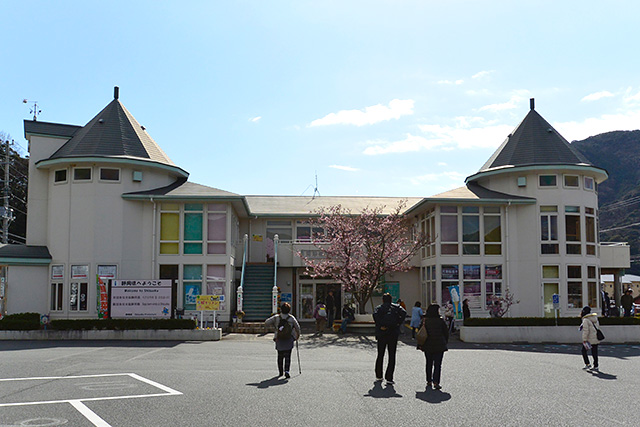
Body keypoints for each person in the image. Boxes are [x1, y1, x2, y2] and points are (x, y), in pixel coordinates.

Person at [373, 293, 407, 384]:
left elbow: (375, 316)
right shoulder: (397, 307)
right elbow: (404, 313)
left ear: (383, 300)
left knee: (380, 355)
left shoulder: (379, 308)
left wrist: (381, 325)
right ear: (391, 300)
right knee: (392, 355)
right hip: (393, 332)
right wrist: (398, 323)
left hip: (382, 333)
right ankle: (389, 377)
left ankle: (379, 375)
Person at [264, 302, 301, 379]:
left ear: (281, 309)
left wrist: (275, 326)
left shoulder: (277, 317)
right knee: (288, 356)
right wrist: (297, 336)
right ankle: (287, 371)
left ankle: (280, 371)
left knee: (280, 356)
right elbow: (298, 328)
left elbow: (266, 322)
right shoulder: (291, 318)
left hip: (279, 338)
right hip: (289, 338)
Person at [418, 304, 449, 390]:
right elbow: (445, 333)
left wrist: (420, 345)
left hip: (427, 345)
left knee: (429, 363)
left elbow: (420, 332)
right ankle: (436, 382)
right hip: (439, 345)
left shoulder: (425, 321)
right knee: (438, 364)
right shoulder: (440, 321)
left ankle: (429, 380)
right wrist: (445, 342)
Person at [579, 306, 600, 371]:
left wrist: (584, 339)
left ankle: (587, 364)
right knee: (594, 352)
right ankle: (596, 365)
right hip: (595, 337)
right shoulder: (595, 318)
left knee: (583, 351)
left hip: (589, 339)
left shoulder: (585, 320)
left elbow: (586, 330)